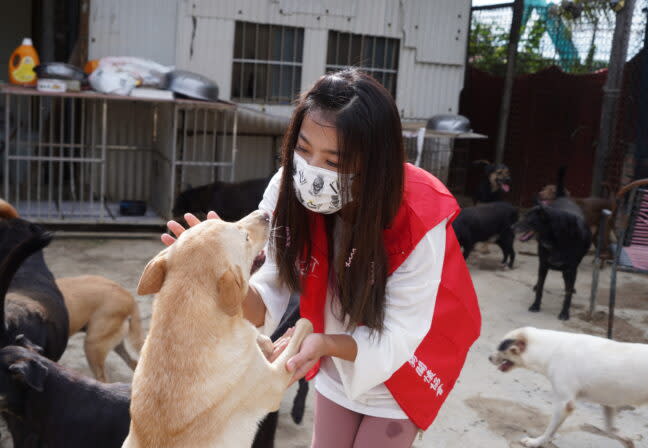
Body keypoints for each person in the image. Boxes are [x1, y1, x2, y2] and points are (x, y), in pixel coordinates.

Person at [163, 68, 481, 448]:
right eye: (302, 149)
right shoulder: (286, 187)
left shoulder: (419, 215)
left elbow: (400, 333)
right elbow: (268, 295)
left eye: (334, 162)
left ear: (376, 162)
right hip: (332, 342)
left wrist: (328, 343)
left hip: (410, 354)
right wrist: (216, 277)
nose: (313, 171)